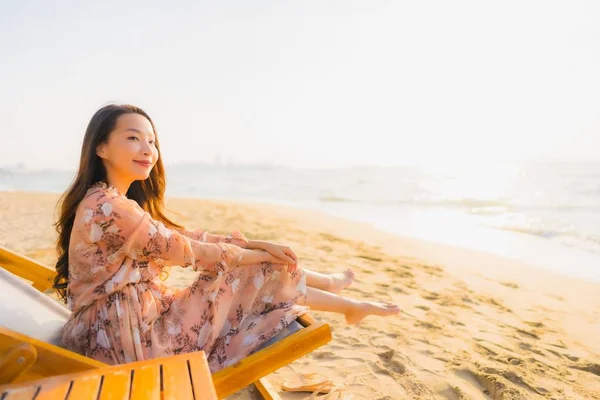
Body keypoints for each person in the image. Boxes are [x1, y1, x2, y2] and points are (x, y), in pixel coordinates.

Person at [54, 104, 400, 371]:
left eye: (152, 141)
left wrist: (255, 245)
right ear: (101, 148)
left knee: (251, 263)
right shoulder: (109, 207)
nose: (147, 148)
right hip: (127, 343)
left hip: (120, 329)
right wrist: (259, 254)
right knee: (252, 269)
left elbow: (186, 236)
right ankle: (347, 301)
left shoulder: (112, 202)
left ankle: (343, 298)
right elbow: (188, 250)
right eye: (133, 138)